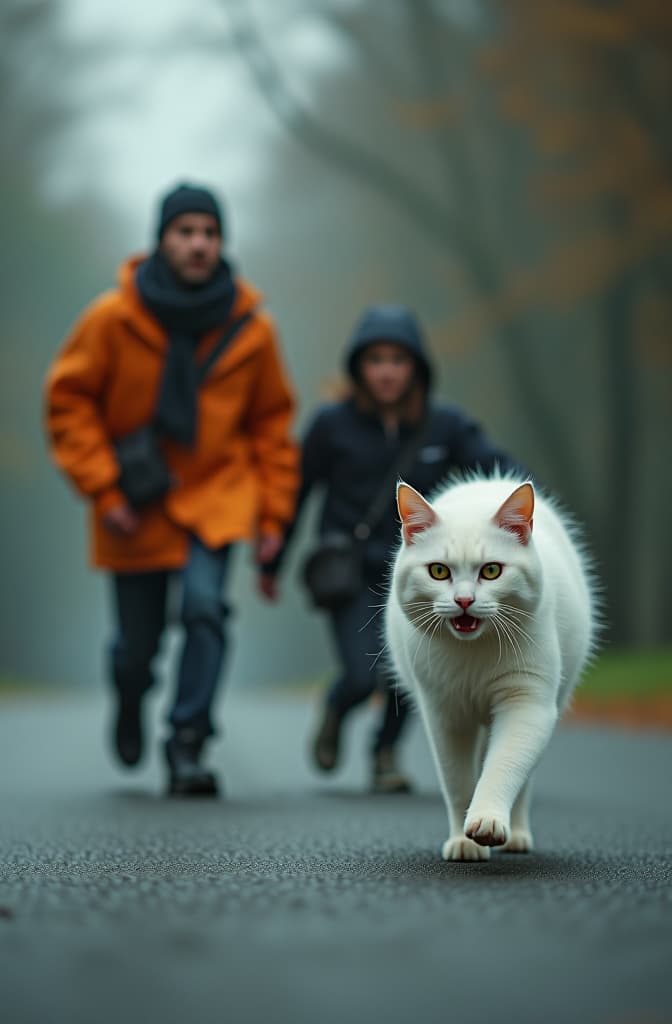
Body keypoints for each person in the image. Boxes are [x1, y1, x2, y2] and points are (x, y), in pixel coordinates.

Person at [45, 182, 299, 796]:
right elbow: (69, 403)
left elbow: (272, 426)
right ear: (161, 239)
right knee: (138, 645)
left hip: (218, 493)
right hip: (137, 501)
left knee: (206, 610)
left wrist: (274, 518)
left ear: (221, 242)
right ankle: (130, 695)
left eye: (209, 233)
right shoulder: (112, 317)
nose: (198, 245)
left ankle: (188, 743)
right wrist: (105, 491)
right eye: (185, 232)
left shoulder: (251, 329)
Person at [260, 305, 522, 793]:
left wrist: (536, 522)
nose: (386, 370)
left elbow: (503, 477)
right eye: (376, 359)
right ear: (358, 366)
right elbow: (294, 495)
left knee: (411, 669)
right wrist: (271, 561)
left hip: (426, 573)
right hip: (350, 573)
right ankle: (339, 706)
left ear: (417, 368)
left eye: (399, 359)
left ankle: (385, 754)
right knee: (364, 673)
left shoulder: (446, 427)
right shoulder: (330, 426)